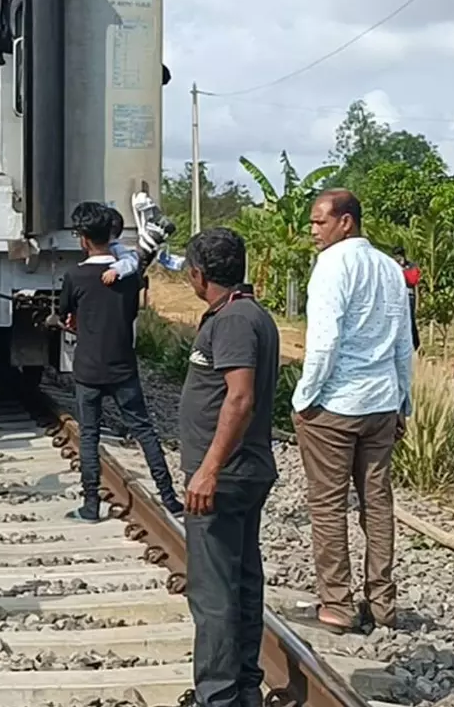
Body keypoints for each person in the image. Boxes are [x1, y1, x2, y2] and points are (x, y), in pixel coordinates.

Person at [292, 190, 412, 634]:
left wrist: (304, 398)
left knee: (327, 505)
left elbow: (324, 341)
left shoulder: (332, 266)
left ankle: (337, 605)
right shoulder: (388, 268)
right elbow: (404, 341)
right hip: (381, 402)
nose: (313, 231)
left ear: (346, 222)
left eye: (319, 222)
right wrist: (403, 400)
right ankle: (382, 603)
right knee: (377, 504)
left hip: (336, 404)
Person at [177, 227, 279, 707]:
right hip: (240, 471)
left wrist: (209, 469)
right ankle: (241, 689)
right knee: (240, 583)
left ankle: (217, 695)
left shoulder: (235, 321)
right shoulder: (242, 314)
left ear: (198, 274)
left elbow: (240, 398)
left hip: (226, 474)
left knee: (214, 592)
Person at [57, 202, 183, 521]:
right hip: (123, 368)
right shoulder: (130, 276)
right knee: (144, 431)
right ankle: (170, 499)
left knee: (89, 435)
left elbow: (65, 314)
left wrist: (69, 320)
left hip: (87, 370)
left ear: (83, 239)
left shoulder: (75, 276)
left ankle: (90, 505)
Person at [392, 247, 421, 351]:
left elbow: (413, 281)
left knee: (410, 320)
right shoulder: (391, 265)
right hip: (395, 297)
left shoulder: (411, 266)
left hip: (409, 296)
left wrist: (403, 270)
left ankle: (416, 345)